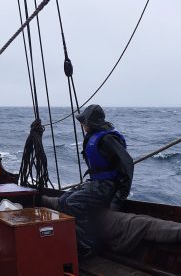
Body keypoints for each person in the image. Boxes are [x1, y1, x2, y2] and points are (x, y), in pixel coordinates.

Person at [55, 104, 134, 257]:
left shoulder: (107, 140)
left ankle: (87, 246)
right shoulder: (94, 136)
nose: (82, 125)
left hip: (108, 187)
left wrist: (118, 200)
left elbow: (127, 166)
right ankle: (76, 240)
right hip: (96, 183)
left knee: (73, 203)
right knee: (63, 200)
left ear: (91, 123)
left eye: (84, 122)